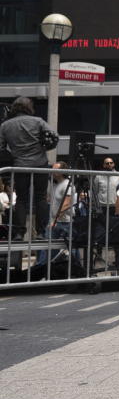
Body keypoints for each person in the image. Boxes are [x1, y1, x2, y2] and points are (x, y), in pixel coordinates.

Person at [0, 96, 56, 232]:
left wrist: (13, 155)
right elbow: (54, 137)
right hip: (40, 164)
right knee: (41, 197)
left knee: (21, 199)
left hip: (20, 165)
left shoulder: (5, 125)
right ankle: (41, 232)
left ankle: (19, 232)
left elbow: (1, 148)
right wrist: (43, 148)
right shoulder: (38, 121)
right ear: (29, 107)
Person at [37, 161, 77, 269]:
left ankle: (78, 269)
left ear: (62, 171)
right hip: (55, 220)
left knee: (71, 248)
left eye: (56, 169)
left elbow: (67, 203)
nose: (52, 171)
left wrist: (55, 219)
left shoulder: (68, 185)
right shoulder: (54, 184)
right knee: (48, 247)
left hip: (67, 222)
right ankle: (41, 268)